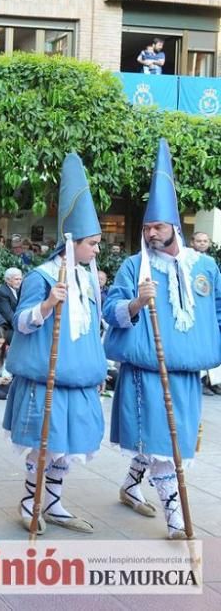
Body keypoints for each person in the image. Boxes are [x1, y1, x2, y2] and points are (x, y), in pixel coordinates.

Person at [103, 140, 221, 539]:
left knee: (172, 440)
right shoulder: (134, 266)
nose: (151, 232)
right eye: (147, 227)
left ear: (175, 227)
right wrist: (137, 302)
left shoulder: (205, 266)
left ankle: (131, 485)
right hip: (146, 371)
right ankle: (176, 520)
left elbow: (218, 312)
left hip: (187, 372)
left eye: (158, 226)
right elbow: (110, 310)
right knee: (159, 443)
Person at [3, 153, 107, 535]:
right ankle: (31, 500)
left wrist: (98, 371)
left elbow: (93, 328)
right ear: (74, 243)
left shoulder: (89, 279)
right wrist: (48, 304)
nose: (97, 250)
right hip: (46, 378)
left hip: (79, 379)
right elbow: (20, 322)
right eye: (93, 244)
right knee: (46, 445)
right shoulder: (42, 276)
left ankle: (55, 501)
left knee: (70, 445)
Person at [0, 267, 23, 338]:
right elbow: (9, 316)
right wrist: (23, 327)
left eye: (20, 279)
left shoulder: (18, 290)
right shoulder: (1, 293)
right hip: (5, 328)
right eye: (16, 279)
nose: (19, 282)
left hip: (16, 325)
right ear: (7, 280)